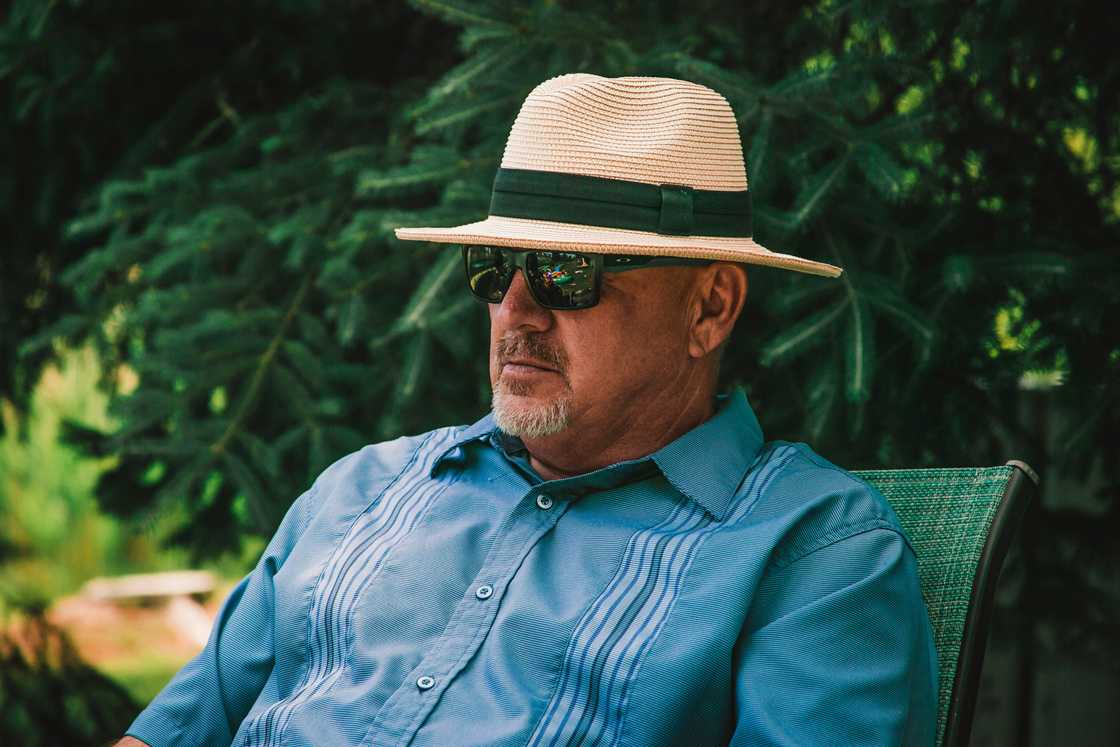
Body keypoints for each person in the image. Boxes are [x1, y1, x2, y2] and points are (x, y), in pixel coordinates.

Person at [118, 74, 937, 747]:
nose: (516, 309)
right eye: (493, 266)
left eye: (564, 271)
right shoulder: (360, 490)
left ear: (709, 308)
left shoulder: (815, 554)